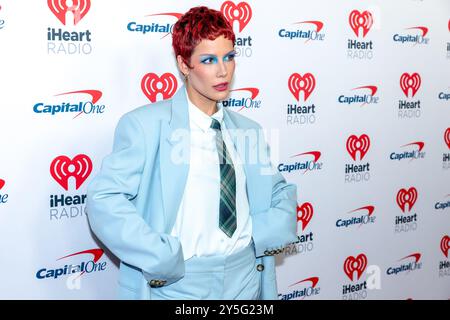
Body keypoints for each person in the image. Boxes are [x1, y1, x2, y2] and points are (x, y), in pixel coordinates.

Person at [86, 6, 297, 300]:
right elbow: (103, 200)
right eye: (209, 60)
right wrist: (161, 255)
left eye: (229, 57)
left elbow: (278, 192)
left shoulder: (249, 130)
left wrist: (258, 238)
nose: (223, 70)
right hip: (180, 283)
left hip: (246, 278)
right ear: (184, 65)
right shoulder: (146, 127)